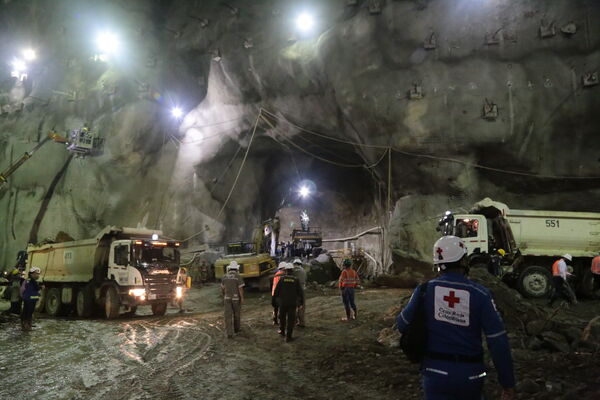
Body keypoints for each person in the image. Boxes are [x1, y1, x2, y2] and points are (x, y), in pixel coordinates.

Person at [396, 236, 515, 400]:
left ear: (437, 264)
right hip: (471, 376)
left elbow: (402, 324)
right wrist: (507, 382)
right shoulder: (480, 294)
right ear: (464, 261)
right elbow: (497, 340)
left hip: (435, 374)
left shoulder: (425, 290)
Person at [273, 263, 304, 342]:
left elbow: (276, 292)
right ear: (292, 270)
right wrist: (301, 303)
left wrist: (274, 302)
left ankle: (282, 331)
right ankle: (288, 337)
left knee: (282, 317)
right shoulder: (296, 280)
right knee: (291, 320)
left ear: (285, 270)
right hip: (292, 303)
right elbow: (300, 292)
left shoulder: (282, 279)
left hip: (283, 303)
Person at [221, 261, 244, 338]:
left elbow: (223, 288)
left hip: (227, 298)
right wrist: (242, 298)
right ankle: (237, 329)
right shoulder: (238, 276)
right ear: (236, 268)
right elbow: (240, 288)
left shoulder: (224, 276)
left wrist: (224, 295)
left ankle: (229, 333)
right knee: (236, 314)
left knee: (228, 316)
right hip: (236, 298)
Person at [20, 267, 42, 331]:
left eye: (38, 274)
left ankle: (24, 324)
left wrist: (22, 296)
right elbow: (37, 288)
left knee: (25, 311)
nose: (37, 275)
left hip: (27, 299)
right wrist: (41, 287)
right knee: (29, 312)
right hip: (31, 300)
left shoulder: (26, 280)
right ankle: (27, 325)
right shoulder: (33, 281)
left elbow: (22, 289)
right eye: (36, 274)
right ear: (31, 274)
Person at [293, 258, 307, 327]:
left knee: (293, 306)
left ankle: (294, 321)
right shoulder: (303, 270)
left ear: (294, 263)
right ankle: (302, 322)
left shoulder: (293, 270)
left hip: (295, 290)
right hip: (303, 289)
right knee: (302, 306)